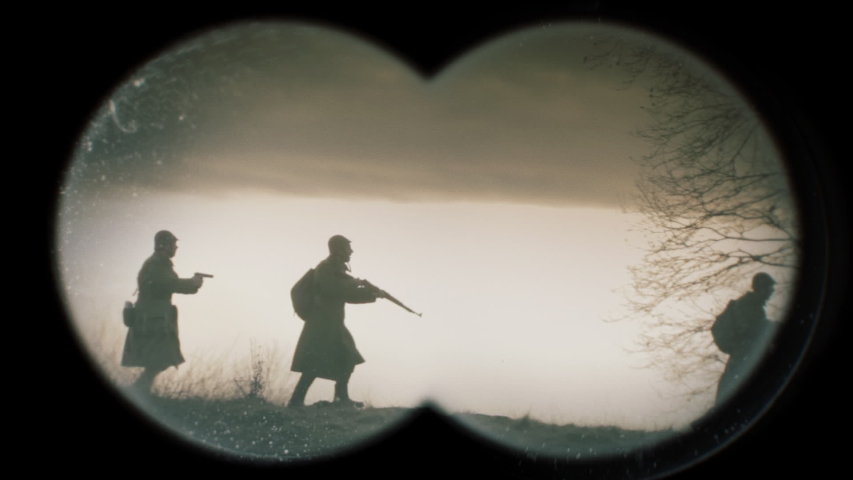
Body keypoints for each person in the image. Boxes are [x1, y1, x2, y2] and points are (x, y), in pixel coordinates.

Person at [288, 235, 384, 408]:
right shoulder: (325, 267)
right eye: (348, 248)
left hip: (333, 323)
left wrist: (372, 295)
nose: (351, 251)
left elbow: (345, 295)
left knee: (347, 356)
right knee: (314, 362)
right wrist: (358, 285)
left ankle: (341, 398)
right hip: (321, 324)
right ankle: (296, 401)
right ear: (338, 249)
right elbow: (333, 290)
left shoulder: (337, 269)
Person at [121, 230, 204, 394]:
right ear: (164, 245)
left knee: (160, 358)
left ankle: (140, 390)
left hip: (154, 318)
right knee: (160, 358)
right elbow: (168, 285)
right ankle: (138, 391)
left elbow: (168, 284)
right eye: (174, 244)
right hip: (152, 319)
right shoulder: (157, 263)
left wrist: (193, 285)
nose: (176, 247)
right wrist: (192, 283)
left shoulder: (158, 262)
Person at [711, 272, 776, 406]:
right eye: (770, 287)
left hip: (744, 355)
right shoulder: (748, 304)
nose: (772, 291)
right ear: (761, 288)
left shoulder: (753, 304)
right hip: (744, 355)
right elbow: (754, 328)